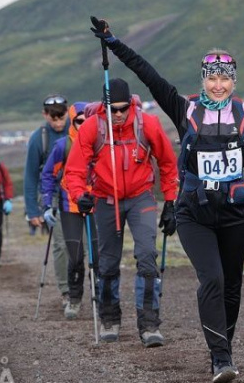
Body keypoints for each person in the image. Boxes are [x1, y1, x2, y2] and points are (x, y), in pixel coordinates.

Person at [89, 4, 244, 382]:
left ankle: (223, 352)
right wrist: (113, 42)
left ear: (233, 81)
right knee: (211, 280)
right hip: (193, 213)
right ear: (204, 80)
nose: (218, 85)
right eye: (212, 78)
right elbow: (148, 74)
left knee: (232, 287)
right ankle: (220, 360)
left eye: (225, 79)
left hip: (234, 215)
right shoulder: (185, 110)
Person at [65, 78, 178, 348]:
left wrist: (171, 202)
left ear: (131, 104)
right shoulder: (93, 126)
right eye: (112, 108)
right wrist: (80, 195)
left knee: (148, 257)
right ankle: (109, 319)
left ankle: (149, 324)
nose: (118, 114)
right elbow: (74, 170)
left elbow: (168, 163)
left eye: (122, 108)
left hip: (141, 198)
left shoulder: (147, 124)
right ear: (104, 106)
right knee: (107, 263)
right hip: (105, 199)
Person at [40, 102, 99, 320]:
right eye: (79, 121)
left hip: (97, 205)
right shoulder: (62, 146)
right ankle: (74, 299)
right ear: (72, 121)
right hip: (69, 207)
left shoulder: (100, 142)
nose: (84, 125)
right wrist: (47, 203)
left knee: (99, 256)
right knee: (75, 257)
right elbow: (47, 175)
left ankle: (102, 297)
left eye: (88, 121)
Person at [24, 94, 71, 309]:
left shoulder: (77, 129)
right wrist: (33, 210)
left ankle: (93, 287)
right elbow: (31, 176)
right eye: (54, 117)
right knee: (60, 245)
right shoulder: (38, 138)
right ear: (45, 115)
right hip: (53, 197)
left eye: (62, 116)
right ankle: (66, 291)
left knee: (85, 246)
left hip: (80, 195)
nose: (58, 121)